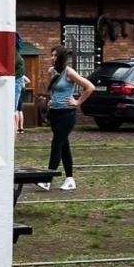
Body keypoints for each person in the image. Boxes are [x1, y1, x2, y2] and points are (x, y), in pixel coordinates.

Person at [40, 45, 93, 191]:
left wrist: (77, 102)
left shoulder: (69, 72)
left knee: (56, 144)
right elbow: (53, 90)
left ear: (61, 57)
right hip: (55, 113)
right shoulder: (52, 71)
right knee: (63, 146)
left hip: (67, 114)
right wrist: (51, 100)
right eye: (52, 55)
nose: (52, 58)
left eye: (55, 55)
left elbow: (89, 87)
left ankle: (47, 179)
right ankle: (70, 179)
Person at [15, 36, 28, 134]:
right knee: (18, 110)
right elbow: (28, 80)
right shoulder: (18, 55)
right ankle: (21, 128)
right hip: (20, 87)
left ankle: (17, 129)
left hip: (18, 85)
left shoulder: (16, 56)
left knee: (16, 110)